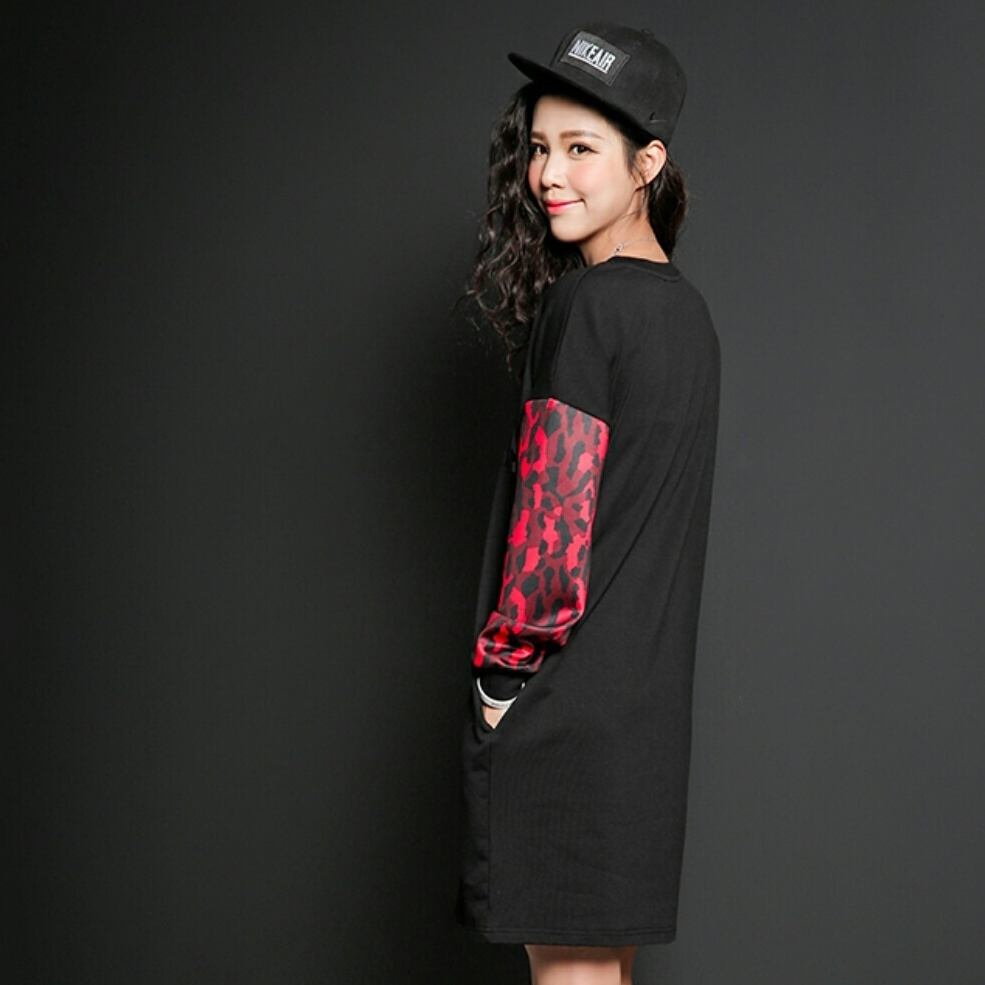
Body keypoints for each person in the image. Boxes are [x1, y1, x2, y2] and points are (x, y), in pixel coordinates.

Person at [453, 22, 721, 985]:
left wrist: (499, 689)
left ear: (646, 163)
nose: (547, 175)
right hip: (640, 717)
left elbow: (552, 529)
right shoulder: (685, 314)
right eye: (538, 147)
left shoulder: (587, 306)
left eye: (579, 148)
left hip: (563, 710)